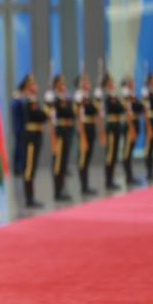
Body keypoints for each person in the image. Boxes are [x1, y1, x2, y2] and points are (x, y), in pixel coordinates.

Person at [19, 74, 46, 208]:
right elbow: (39, 116)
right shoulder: (28, 101)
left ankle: (31, 197)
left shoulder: (33, 100)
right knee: (29, 167)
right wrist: (46, 111)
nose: (35, 86)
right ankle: (29, 198)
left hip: (36, 135)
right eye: (32, 84)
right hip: (30, 137)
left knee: (32, 167)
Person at [48, 74, 74, 202]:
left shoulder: (66, 99)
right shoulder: (53, 99)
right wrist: (53, 135)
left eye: (64, 82)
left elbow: (72, 113)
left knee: (64, 162)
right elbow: (52, 118)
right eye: (60, 83)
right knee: (58, 163)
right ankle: (57, 191)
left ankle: (62, 189)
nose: (63, 85)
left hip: (67, 131)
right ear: (56, 84)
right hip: (59, 132)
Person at [75, 74, 99, 196]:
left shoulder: (88, 98)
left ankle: (86, 185)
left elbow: (95, 111)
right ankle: (83, 187)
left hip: (91, 127)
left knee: (87, 158)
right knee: (83, 159)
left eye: (87, 82)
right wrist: (82, 134)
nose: (87, 84)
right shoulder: (79, 98)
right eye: (84, 82)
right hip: (84, 128)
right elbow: (79, 117)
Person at [103, 74, 125, 191]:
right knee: (110, 155)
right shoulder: (107, 96)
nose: (113, 84)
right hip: (111, 126)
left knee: (114, 154)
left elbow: (122, 109)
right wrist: (118, 105)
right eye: (110, 82)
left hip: (117, 125)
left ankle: (111, 179)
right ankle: (108, 180)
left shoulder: (114, 96)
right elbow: (115, 108)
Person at [121, 75, 142, 186]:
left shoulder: (133, 95)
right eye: (130, 82)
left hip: (136, 122)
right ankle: (128, 177)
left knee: (130, 151)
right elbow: (128, 113)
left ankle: (130, 175)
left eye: (133, 82)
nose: (133, 84)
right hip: (130, 125)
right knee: (127, 152)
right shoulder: (126, 96)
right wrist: (131, 127)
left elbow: (140, 108)